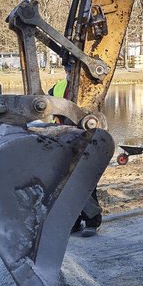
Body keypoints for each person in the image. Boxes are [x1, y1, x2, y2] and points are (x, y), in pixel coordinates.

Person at [48, 76, 102, 237]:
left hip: (85, 139)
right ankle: (73, 221)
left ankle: (92, 221)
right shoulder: (58, 87)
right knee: (63, 184)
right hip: (63, 139)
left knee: (85, 182)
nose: (69, 70)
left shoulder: (89, 88)